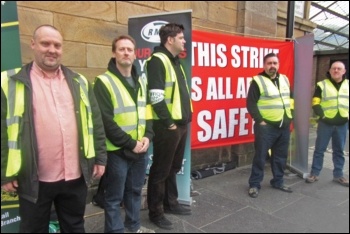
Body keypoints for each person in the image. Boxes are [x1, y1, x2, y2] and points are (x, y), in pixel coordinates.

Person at [1, 24, 107, 233]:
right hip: (34, 178)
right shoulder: (10, 82)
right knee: (33, 229)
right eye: (45, 43)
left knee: (75, 226)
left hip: (75, 175)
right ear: (33, 45)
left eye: (57, 45)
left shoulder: (79, 81)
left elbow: (95, 122)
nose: (52, 49)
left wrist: (101, 158)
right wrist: (5, 173)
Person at [93, 35, 155, 233]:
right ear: (114, 53)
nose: (126, 52)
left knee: (135, 192)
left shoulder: (141, 81)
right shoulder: (104, 82)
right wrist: (131, 143)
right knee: (113, 198)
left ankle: (134, 226)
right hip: (117, 151)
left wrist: (148, 136)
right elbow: (106, 122)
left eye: (130, 49)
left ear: (135, 54)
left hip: (140, 149)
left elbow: (148, 113)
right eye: (121, 49)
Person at [146, 23, 192, 230]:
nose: (184, 41)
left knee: (172, 168)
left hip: (180, 125)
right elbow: (155, 97)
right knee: (160, 171)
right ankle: (156, 213)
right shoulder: (157, 61)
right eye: (181, 38)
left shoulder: (174, 62)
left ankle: (170, 204)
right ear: (170, 39)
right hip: (168, 127)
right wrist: (170, 124)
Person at [246, 52, 294, 198]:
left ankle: (278, 181)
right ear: (264, 65)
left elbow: (290, 99)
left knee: (280, 156)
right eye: (269, 63)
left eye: (275, 63)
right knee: (260, 156)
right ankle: (254, 184)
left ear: (278, 65)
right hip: (266, 127)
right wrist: (259, 120)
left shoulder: (284, 79)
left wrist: (290, 116)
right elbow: (251, 103)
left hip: (283, 125)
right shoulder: (257, 81)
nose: (272, 66)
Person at [305, 61, 349, 187]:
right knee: (319, 149)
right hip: (326, 123)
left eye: (339, 69)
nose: (336, 71)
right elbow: (315, 103)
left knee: (339, 150)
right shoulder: (322, 85)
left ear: (344, 71)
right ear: (329, 71)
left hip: (342, 123)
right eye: (333, 68)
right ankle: (314, 173)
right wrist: (322, 116)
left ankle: (339, 175)